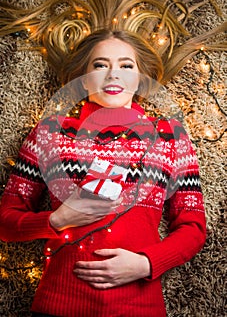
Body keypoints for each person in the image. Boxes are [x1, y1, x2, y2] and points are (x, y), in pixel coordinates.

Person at [0, 29, 206, 317]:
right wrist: (57, 219)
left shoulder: (170, 137)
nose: (113, 74)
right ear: (84, 78)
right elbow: (6, 221)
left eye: (126, 65)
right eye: (100, 65)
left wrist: (145, 263)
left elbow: (193, 227)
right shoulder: (50, 131)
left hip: (140, 308)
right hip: (58, 306)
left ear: (140, 77)